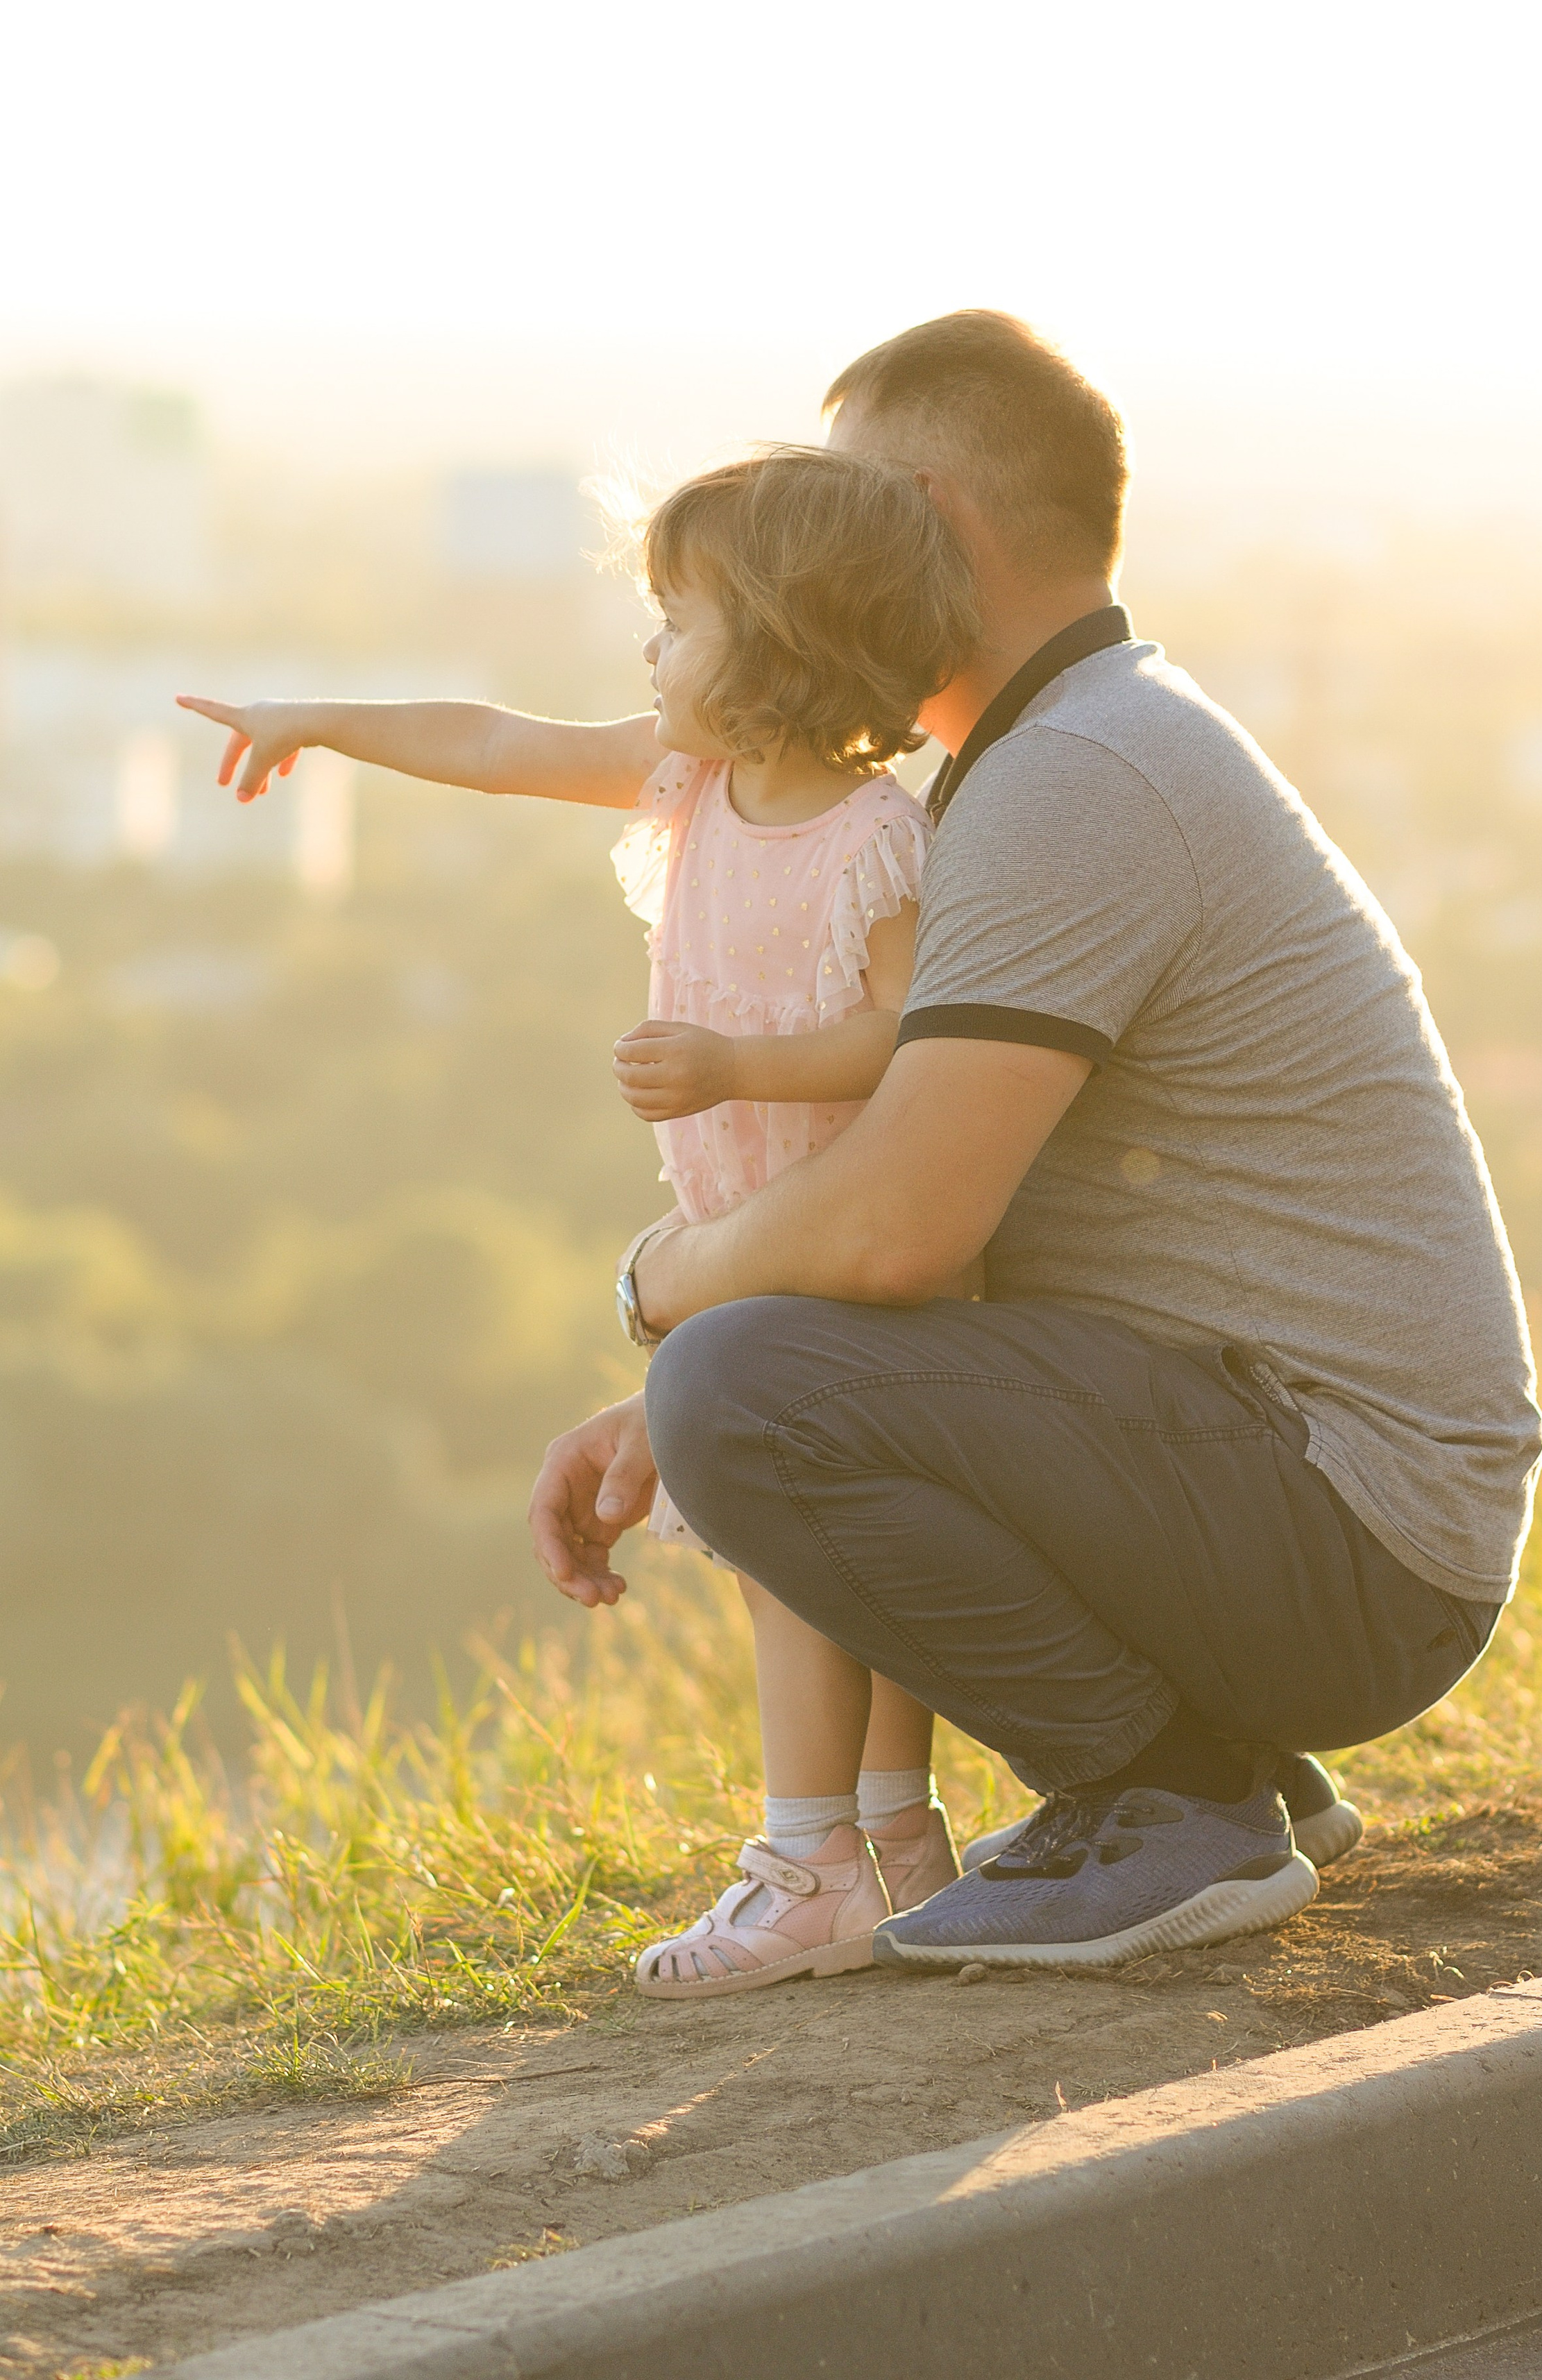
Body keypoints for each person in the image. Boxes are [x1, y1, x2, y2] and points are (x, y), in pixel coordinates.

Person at [529, 310, 1542, 1974]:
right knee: (734, 1383)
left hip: (1353, 1532)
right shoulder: (1064, 747)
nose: (802, 542)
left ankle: (1163, 1800)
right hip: (1329, 1506)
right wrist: (685, 1376)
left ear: (934, 517)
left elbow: (895, 1233)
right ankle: (1220, 1776)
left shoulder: (1072, 774)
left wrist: (661, 1295)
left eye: (835, 501)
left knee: (737, 1384)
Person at [178, 445, 982, 1991]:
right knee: (827, 1558)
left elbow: (909, 1035)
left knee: (792, 1556)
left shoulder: (870, 837)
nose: (648, 650)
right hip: (748, 1231)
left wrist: (738, 1060)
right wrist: (320, 720)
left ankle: (811, 1857)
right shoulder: (692, 780)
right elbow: (489, 738)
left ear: (780, 641)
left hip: (831, 1240)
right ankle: (896, 1845)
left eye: (676, 621)